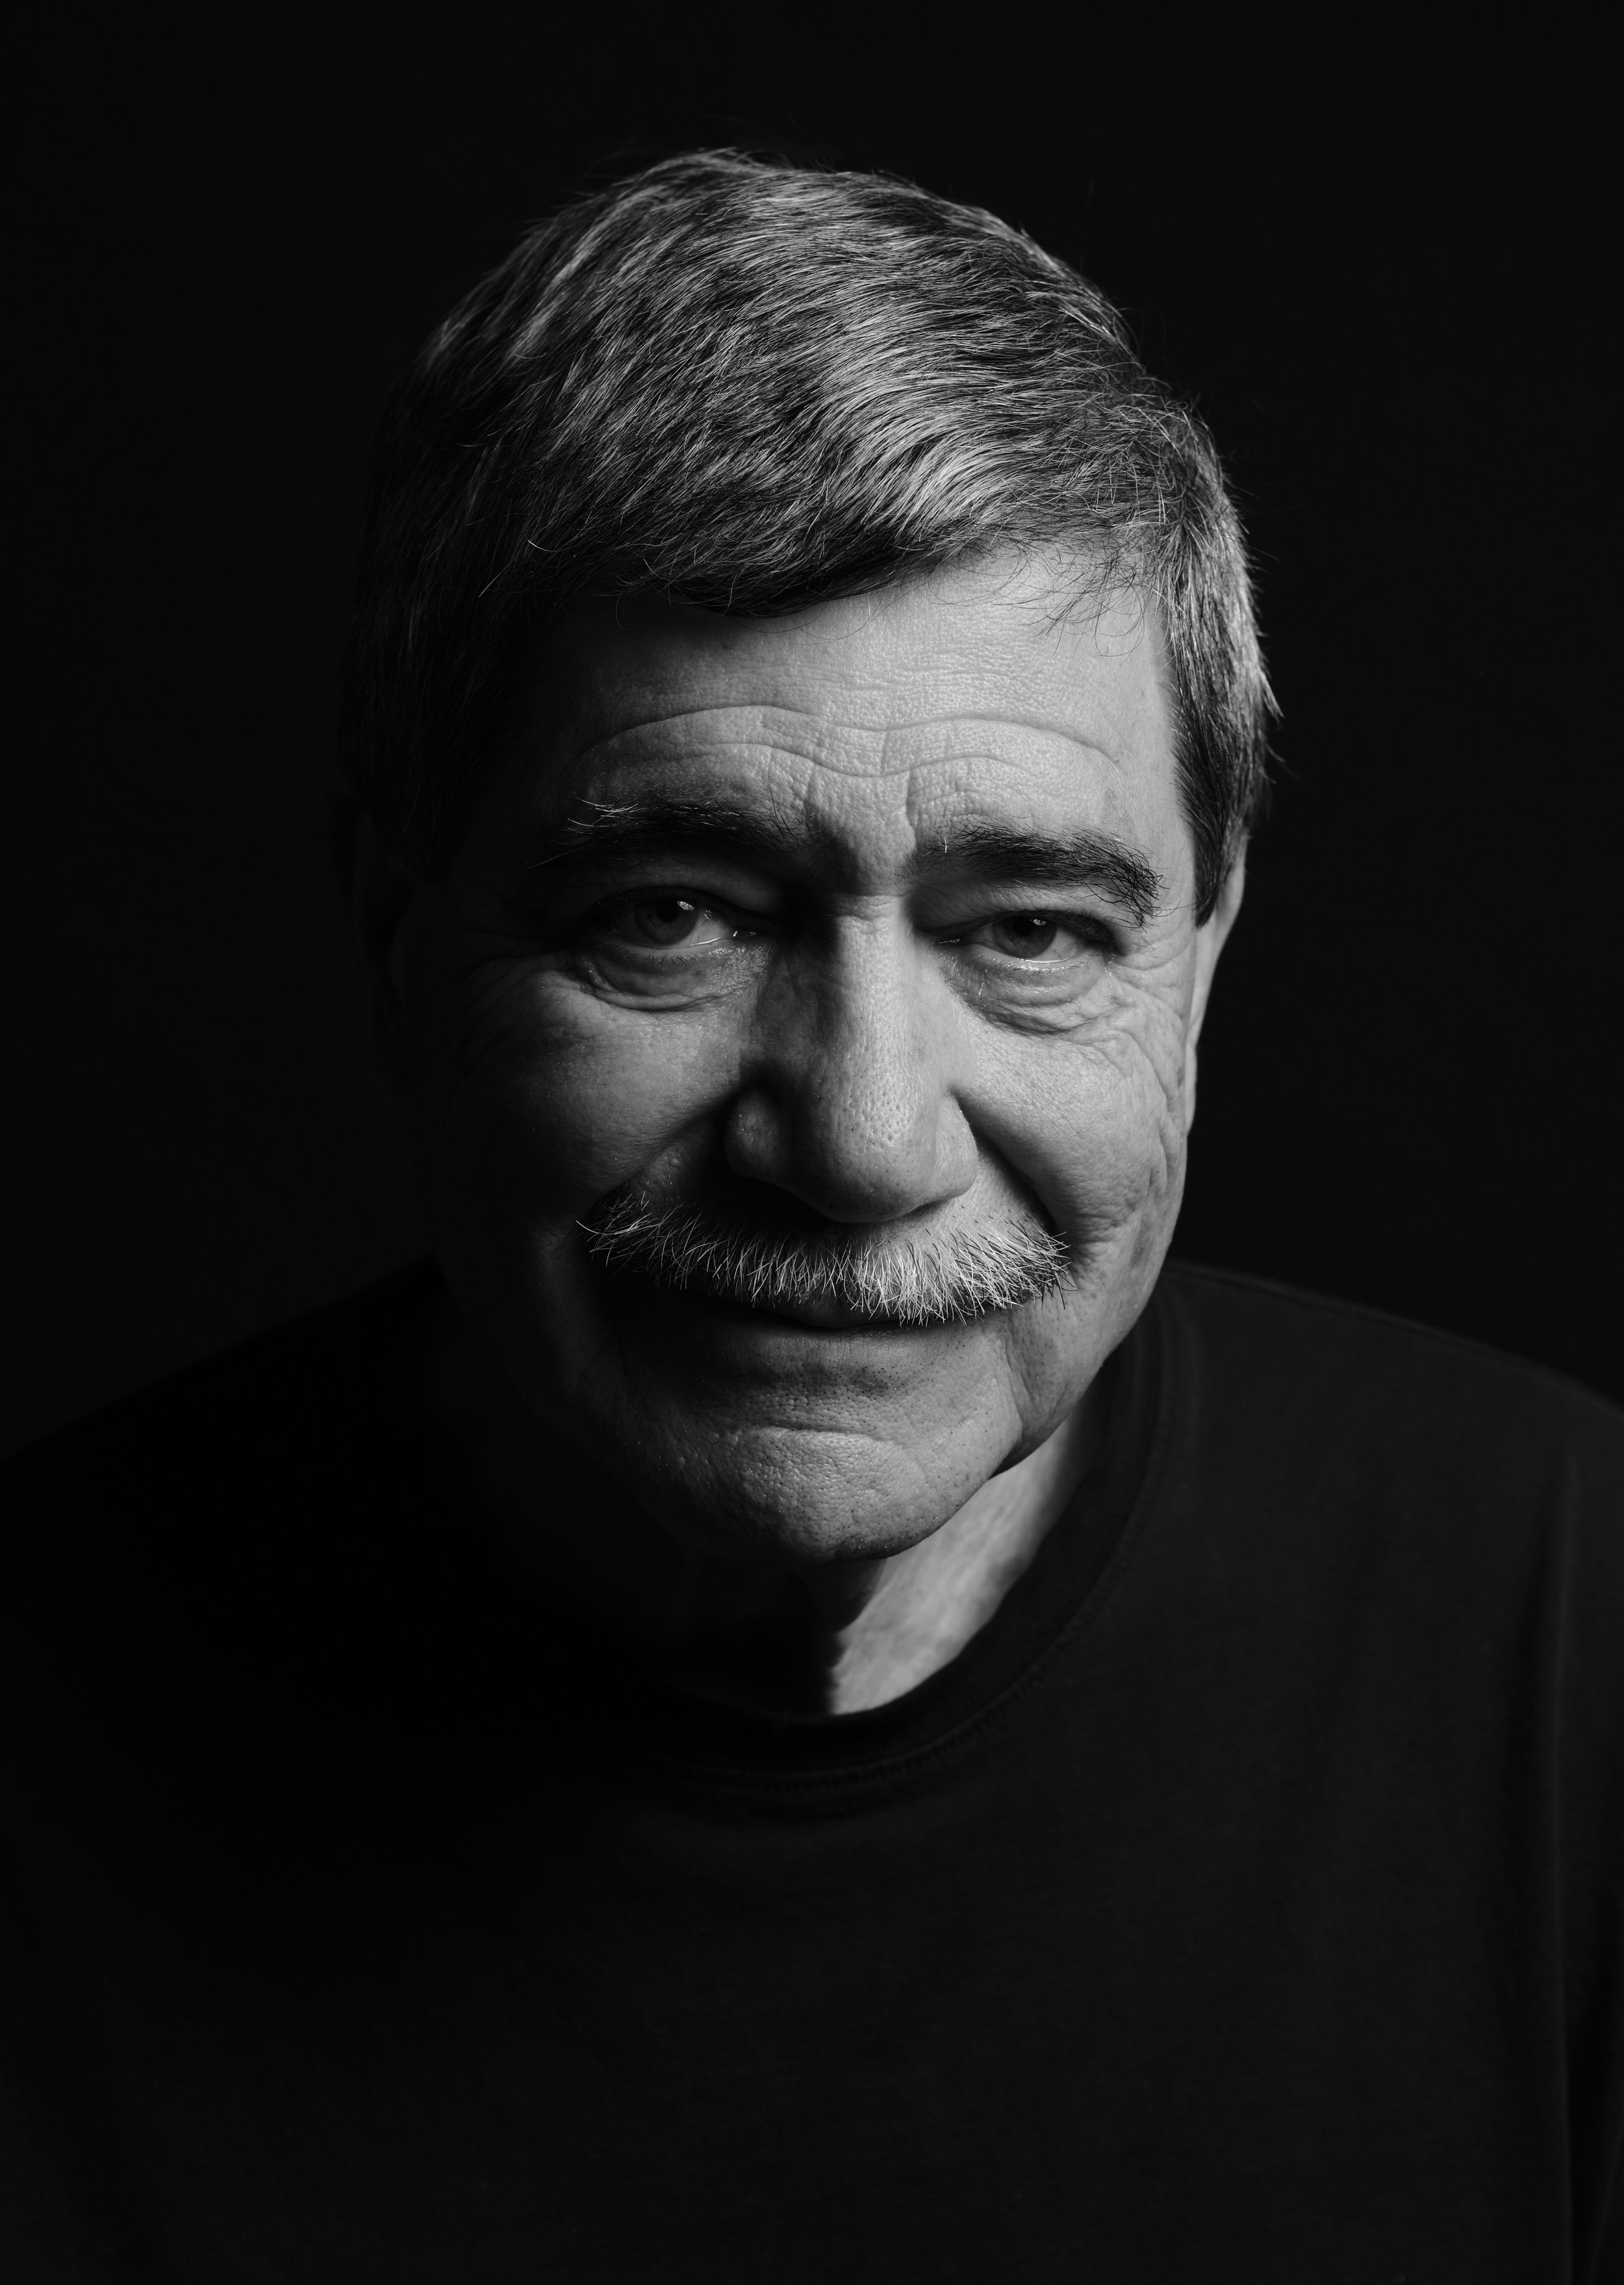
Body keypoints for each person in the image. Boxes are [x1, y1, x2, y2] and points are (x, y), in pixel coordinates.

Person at [2, 151, 1618, 2283]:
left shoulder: (1580, 1657)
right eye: (671, 915)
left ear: (1201, 958)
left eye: (1027, 930)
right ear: (400, 947)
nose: (859, 1143)